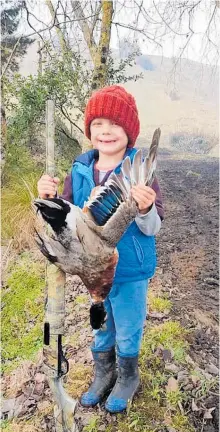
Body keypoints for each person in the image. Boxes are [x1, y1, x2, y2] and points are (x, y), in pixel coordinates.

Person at [37, 85, 164, 413]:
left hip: (130, 271)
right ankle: (103, 372)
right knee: (101, 323)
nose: (106, 131)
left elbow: (153, 228)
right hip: (92, 269)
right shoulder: (79, 169)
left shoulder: (141, 170)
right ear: (89, 131)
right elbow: (64, 221)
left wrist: (146, 208)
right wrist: (50, 199)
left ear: (130, 131)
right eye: (98, 124)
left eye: (115, 124)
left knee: (128, 325)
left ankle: (127, 376)